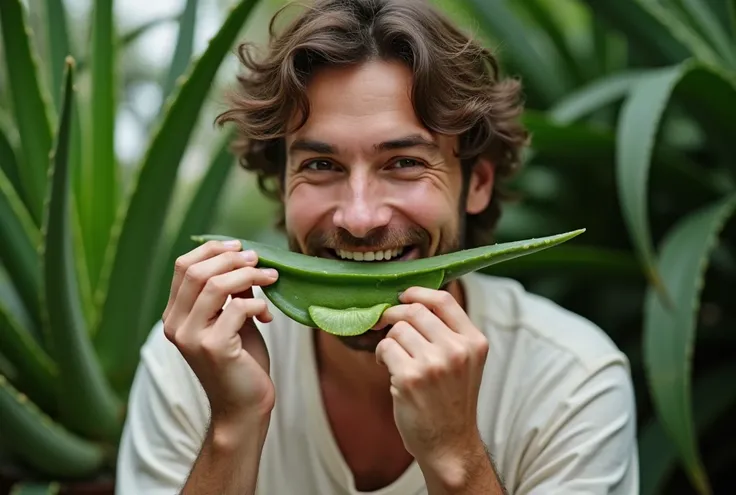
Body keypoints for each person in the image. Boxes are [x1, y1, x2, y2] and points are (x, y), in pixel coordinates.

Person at [115, 0, 639, 493]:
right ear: (282, 182)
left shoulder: (571, 378)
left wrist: (456, 456)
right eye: (321, 166)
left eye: (405, 162)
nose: (360, 218)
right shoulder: (194, 362)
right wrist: (232, 425)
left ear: (476, 182)